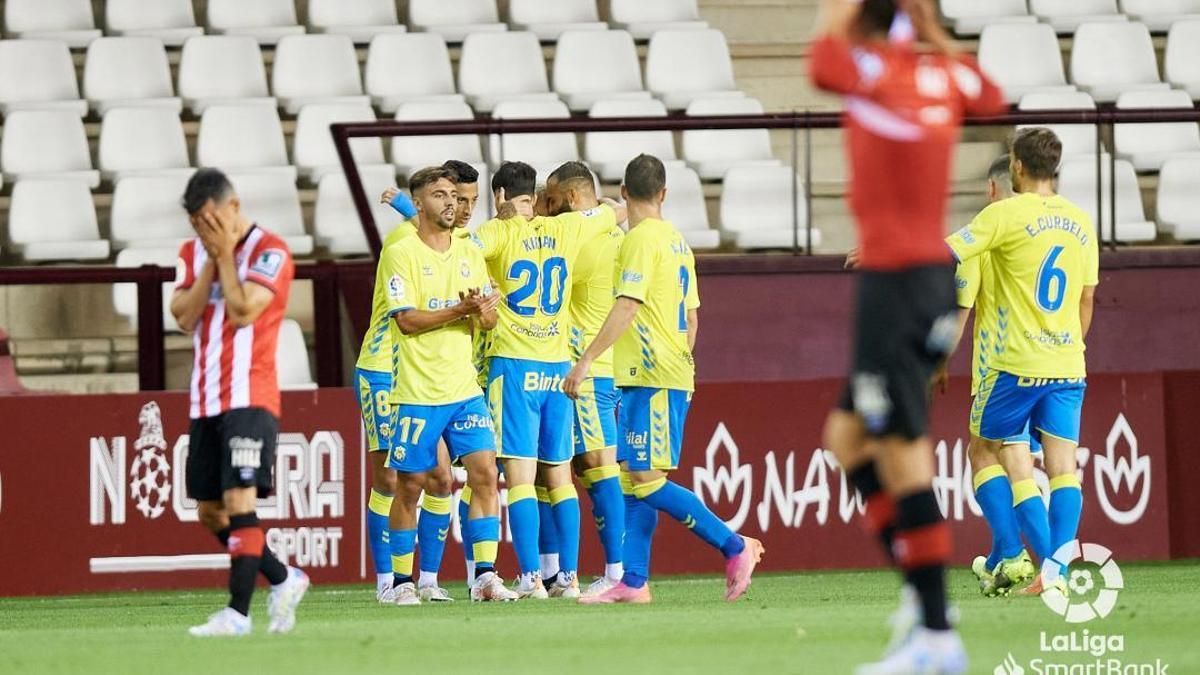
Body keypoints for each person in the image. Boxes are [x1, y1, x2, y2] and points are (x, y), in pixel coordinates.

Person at [810, 0, 1005, 671]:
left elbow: (821, 58)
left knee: (901, 451)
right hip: (927, 280)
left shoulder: (869, 73)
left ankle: (936, 631)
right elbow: (994, 95)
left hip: (895, 285)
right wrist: (936, 36)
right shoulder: (943, 76)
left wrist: (841, 14)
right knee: (847, 438)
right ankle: (923, 602)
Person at [565, 154, 764, 606]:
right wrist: (679, 363)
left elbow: (628, 305)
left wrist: (586, 361)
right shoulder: (677, 241)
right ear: (664, 193)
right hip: (658, 371)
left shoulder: (640, 239)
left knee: (646, 480)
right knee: (634, 481)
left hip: (653, 374)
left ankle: (735, 546)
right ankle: (633, 582)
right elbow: (692, 319)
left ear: (624, 193)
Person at [947, 128, 1098, 597]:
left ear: (1016, 166)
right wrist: (1068, 344)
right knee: (1063, 467)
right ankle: (1055, 571)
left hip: (1015, 363)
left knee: (985, 450)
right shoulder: (1081, 220)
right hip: (1069, 362)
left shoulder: (1005, 215)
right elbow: (1087, 298)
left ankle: (1012, 553)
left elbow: (945, 252)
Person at [472, 161, 625, 599]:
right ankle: (570, 578)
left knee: (520, 479)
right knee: (560, 477)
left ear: (500, 198)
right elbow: (615, 210)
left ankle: (532, 578)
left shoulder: (499, 232)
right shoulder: (568, 230)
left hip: (516, 367)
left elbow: (456, 246)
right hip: (558, 369)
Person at [170, 168, 309, 636]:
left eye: (210, 221)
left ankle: (237, 613)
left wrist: (226, 256)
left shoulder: (271, 250)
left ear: (232, 207)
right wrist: (211, 258)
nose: (203, 233)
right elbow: (185, 318)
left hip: (250, 394)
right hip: (204, 398)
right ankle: (284, 578)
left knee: (239, 498)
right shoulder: (193, 253)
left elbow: (244, 310)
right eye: (196, 225)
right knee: (210, 510)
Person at [378, 166, 516, 604]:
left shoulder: (468, 252)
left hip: (463, 388)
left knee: (485, 476)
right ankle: (399, 583)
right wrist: (459, 312)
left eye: (454, 196)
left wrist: (482, 310)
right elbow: (406, 320)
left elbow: (487, 319)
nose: (451, 203)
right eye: (439, 195)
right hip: (418, 391)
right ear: (418, 203)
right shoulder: (401, 252)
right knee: (411, 484)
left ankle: (485, 577)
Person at [944, 157, 1038, 596]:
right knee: (1024, 464)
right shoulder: (1052, 228)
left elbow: (961, 314)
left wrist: (938, 364)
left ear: (993, 190)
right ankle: (1004, 558)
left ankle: (1031, 561)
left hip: (1001, 368)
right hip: (1054, 366)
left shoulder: (987, 233)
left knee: (987, 455)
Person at [542, 162, 628, 597]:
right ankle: (556, 572)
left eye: (552, 201)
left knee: (596, 464)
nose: (545, 210)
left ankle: (616, 573)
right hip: (600, 366)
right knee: (574, 465)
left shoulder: (582, 241)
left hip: (586, 369)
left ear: (574, 201)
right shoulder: (614, 232)